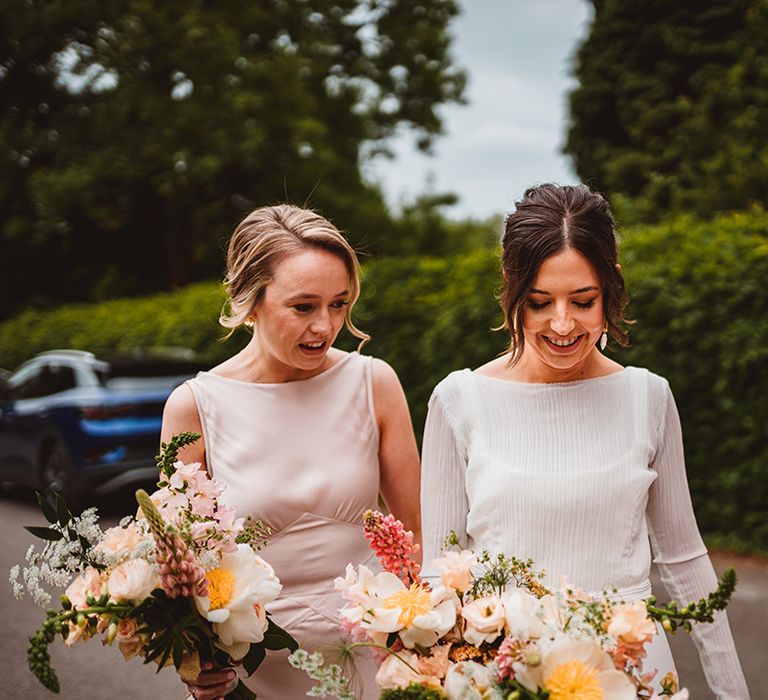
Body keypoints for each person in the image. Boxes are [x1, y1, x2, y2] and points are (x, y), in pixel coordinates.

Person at [420, 184, 749, 698]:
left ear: (611, 285)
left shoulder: (648, 397)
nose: (562, 323)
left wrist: (734, 693)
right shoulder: (458, 400)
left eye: (583, 300)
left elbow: (683, 558)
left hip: (634, 672)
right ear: (511, 286)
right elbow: (440, 574)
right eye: (538, 302)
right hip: (505, 673)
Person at [162, 204, 421, 700]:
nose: (325, 326)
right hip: (257, 674)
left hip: (377, 660)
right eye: (303, 307)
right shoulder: (194, 407)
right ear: (250, 300)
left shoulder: (374, 382)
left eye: (339, 304)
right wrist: (193, 662)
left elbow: (416, 531)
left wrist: (426, 642)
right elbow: (182, 567)